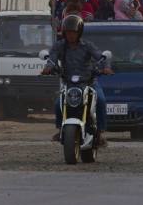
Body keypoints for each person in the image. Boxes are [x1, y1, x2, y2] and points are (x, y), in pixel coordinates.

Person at [41, 15, 113, 146]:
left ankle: (101, 132)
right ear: (64, 32)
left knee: (101, 101)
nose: (70, 35)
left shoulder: (87, 46)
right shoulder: (59, 46)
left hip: (89, 82)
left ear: (79, 32)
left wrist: (106, 68)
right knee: (58, 104)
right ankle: (60, 129)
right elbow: (52, 59)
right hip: (69, 84)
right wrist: (47, 68)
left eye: (73, 32)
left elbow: (100, 57)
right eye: (68, 32)